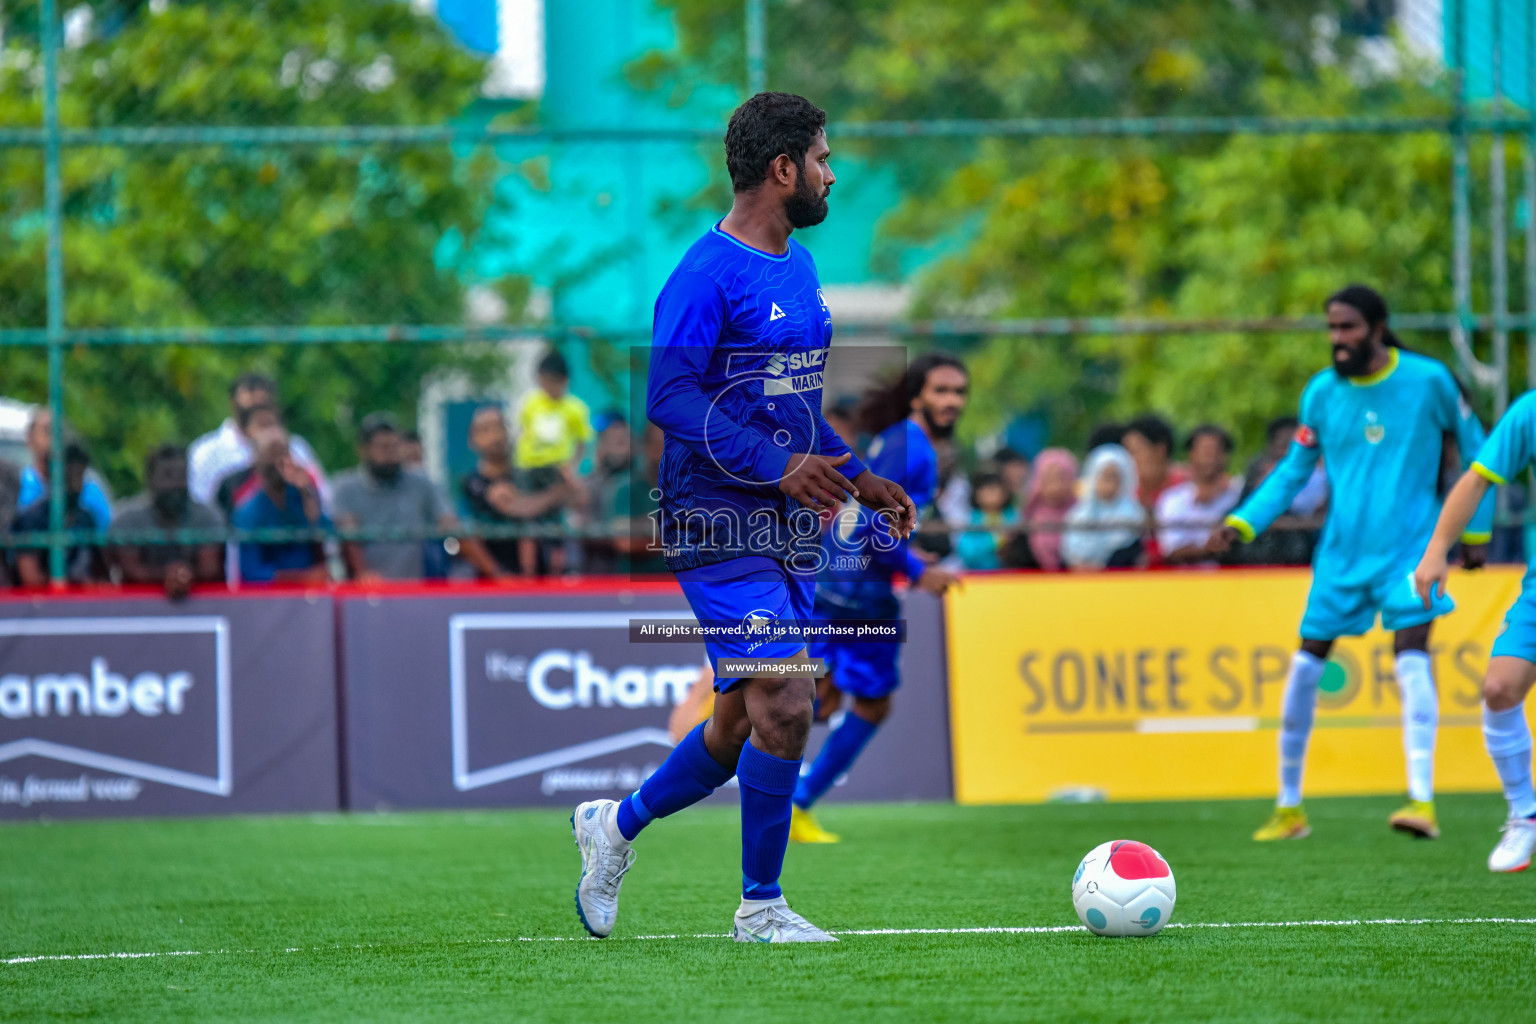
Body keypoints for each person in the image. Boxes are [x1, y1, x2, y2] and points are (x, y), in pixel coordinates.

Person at [570, 91, 915, 944]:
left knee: (739, 724)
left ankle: (612, 830)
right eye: (825, 159)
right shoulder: (703, 275)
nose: (834, 174)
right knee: (790, 700)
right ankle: (761, 907)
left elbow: (792, 407)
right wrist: (776, 465)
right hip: (716, 523)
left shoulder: (797, 269)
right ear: (783, 167)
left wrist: (856, 474)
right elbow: (668, 396)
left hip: (788, 524)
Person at [1209, 284, 1492, 843]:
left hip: (1413, 549)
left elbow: (1478, 445)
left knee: (1411, 655)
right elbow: (1293, 471)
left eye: (1349, 328)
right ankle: (1289, 808)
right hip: (1341, 555)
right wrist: (1242, 522)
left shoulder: (1428, 381)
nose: (1338, 340)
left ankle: (1422, 800)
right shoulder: (1321, 393)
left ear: (1378, 328)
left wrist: (1475, 531)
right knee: (1305, 666)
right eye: (1332, 329)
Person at [790, 352, 966, 844]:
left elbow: (879, 518)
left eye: (959, 392)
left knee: (821, 702)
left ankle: (791, 801)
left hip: (833, 581)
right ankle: (792, 801)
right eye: (941, 391)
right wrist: (916, 570)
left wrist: (914, 555)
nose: (952, 401)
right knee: (861, 703)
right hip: (859, 592)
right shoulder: (917, 450)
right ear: (918, 397)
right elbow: (874, 524)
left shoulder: (897, 439)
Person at [1416, 390, 1536, 870]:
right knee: (1499, 688)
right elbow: (1475, 480)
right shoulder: (1530, 410)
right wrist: (1437, 549)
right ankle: (1525, 817)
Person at [333, 413, 504, 582]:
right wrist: (363, 574)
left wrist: (496, 574)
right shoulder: (346, 488)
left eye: (394, 446)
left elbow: (451, 526)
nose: (390, 454)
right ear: (364, 450)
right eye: (383, 447)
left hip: (414, 590)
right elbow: (349, 539)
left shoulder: (421, 484)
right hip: (365, 594)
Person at [188, 372, 330, 510]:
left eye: (262, 407)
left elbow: (324, 501)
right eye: (248, 411)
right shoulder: (206, 452)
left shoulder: (297, 448)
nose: (256, 415)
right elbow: (200, 507)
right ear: (232, 404)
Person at [460, 404, 570, 575]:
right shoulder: (471, 483)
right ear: (472, 439)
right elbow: (514, 506)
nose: (495, 436)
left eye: (500, 427)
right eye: (485, 430)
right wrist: (556, 493)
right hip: (493, 581)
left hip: (538, 580)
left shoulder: (529, 476)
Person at [515, 350, 594, 575]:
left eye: (555, 382)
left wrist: (572, 467)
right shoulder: (530, 404)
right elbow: (524, 434)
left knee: (557, 523)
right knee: (528, 521)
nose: (550, 387)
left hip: (558, 469)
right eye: (545, 381)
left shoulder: (575, 409)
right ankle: (527, 572)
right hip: (529, 468)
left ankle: (557, 572)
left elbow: (582, 443)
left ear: (565, 382)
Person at [109, 444, 224, 599]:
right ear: (150, 479)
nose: (175, 484)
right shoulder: (127, 519)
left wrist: (184, 576)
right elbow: (130, 570)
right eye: (168, 476)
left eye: (181, 476)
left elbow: (210, 568)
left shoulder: (208, 517)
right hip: (138, 606)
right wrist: (167, 576)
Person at [233, 430, 331, 585]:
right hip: (272, 600)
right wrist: (302, 578)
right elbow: (251, 572)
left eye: (284, 452)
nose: (280, 460)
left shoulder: (300, 498)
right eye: (273, 453)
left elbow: (327, 533)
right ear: (257, 460)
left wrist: (308, 493)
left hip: (313, 594)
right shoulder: (248, 511)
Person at [12, 444, 106, 586]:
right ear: (53, 477)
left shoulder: (86, 518)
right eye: (70, 476)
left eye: (80, 475)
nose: (76, 484)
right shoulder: (31, 519)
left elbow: (100, 574)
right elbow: (30, 578)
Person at [1156, 425, 1243, 566]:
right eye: (1204, 451)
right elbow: (1170, 550)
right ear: (1191, 454)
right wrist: (1207, 550)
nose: (1210, 457)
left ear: (1226, 456)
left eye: (1216, 451)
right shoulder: (1172, 499)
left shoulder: (1239, 493)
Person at [18, 408, 112, 531]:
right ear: (30, 439)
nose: (54, 438)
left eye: (59, 431)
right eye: (47, 431)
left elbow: (104, 530)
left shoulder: (89, 485)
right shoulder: (18, 485)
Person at [1062, 445, 1145, 569]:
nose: (1110, 485)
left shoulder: (1135, 515)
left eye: (1115, 478)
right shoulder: (1078, 515)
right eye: (1105, 477)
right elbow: (1069, 554)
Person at [1024, 447, 1078, 571]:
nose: (1056, 487)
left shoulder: (1083, 517)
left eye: (1062, 479)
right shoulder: (1024, 522)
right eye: (1049, 479)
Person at [1123, 414, 1187, 515]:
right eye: (1125, 453)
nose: (1127, 460)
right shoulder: (1125, 492)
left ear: (1160, 450)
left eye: (1134, 452)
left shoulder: (1188, 487)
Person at [955, 470, 1018, 571]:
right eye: (985, 489)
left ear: (1005, 493)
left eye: (994, 489)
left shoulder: (1014, 517)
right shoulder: (971, 519)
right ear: (976, 494)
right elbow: (967, 551)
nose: (990, 493)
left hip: (1011, 575)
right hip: (979, 576)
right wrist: (995, 541)